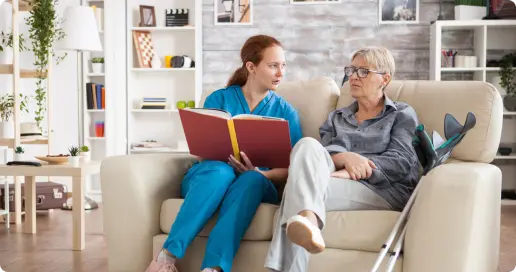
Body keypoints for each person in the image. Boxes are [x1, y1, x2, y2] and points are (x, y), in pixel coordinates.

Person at [145, 34, 303, 272]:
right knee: (220, 172)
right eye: (273, 66)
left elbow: (294, 168)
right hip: (211, 174)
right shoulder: (218, 98)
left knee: (252, 179)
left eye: (283, 65)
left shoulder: (285, 112)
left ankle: (213, 268)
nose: (280, 72)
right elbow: (200, 151)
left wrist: (262, 173)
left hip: (257, 183)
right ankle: (166, 258)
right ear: (251, 67)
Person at [264, 46, 421, 272]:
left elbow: (401, 161)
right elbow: (322, 156)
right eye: (352, 70)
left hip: (382, 190)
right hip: (335, 180)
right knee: (306, 145)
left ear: (384, 79)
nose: (353, 77)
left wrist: (351, 170)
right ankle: (309, 218)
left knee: (294, 195)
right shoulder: (337, 117)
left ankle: (305, 223)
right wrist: (345, 157)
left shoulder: (401, 114)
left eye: (363, 71)